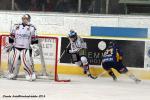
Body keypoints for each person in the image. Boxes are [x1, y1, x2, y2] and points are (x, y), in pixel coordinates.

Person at [6, 14, 38, 81]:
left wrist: (35, 47)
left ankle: (30, 74)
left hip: (26, 47)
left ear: (29, 19)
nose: (24, 20)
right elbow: (11, 36)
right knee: (13, 61)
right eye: (23, 18)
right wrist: (10, 44)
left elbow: (34, 39)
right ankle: (12, 74)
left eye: (26, 18)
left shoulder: (32, 27)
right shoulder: (16, 26)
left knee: (26, 62)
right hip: (16, 47)